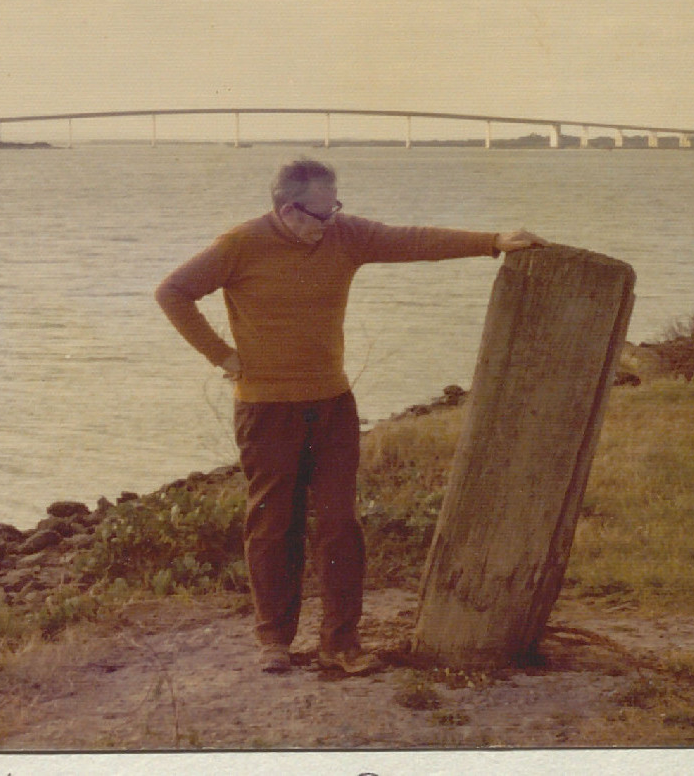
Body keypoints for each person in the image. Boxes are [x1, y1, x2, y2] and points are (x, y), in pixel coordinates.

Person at [155, 157, 545, 676]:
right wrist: (221, 356)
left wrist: (492, 241)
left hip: (332, 405)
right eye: (323, 212)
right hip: (266, 408)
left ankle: (339, 643)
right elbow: (172, 292)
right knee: (273, 523)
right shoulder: (240, 244)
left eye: (336, 207)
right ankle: (274, 639)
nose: (332, 220)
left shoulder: (344, 234)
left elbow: (412, 240)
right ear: (288, 210)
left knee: (340, 523)